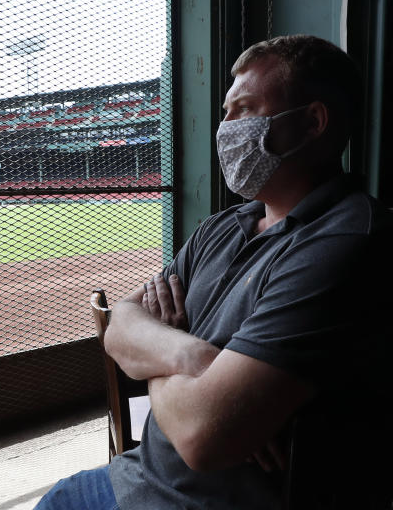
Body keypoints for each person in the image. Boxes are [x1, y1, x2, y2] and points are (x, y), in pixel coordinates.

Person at [35, 35, 391, 509]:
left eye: (244, 110)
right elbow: (120, 325)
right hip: (140, 477)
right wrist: (199, 360)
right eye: (226, 112)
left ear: (312, 122)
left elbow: (203, 436)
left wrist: (162, 350)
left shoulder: (346, 242)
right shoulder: (224, 226)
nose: (225, 129)